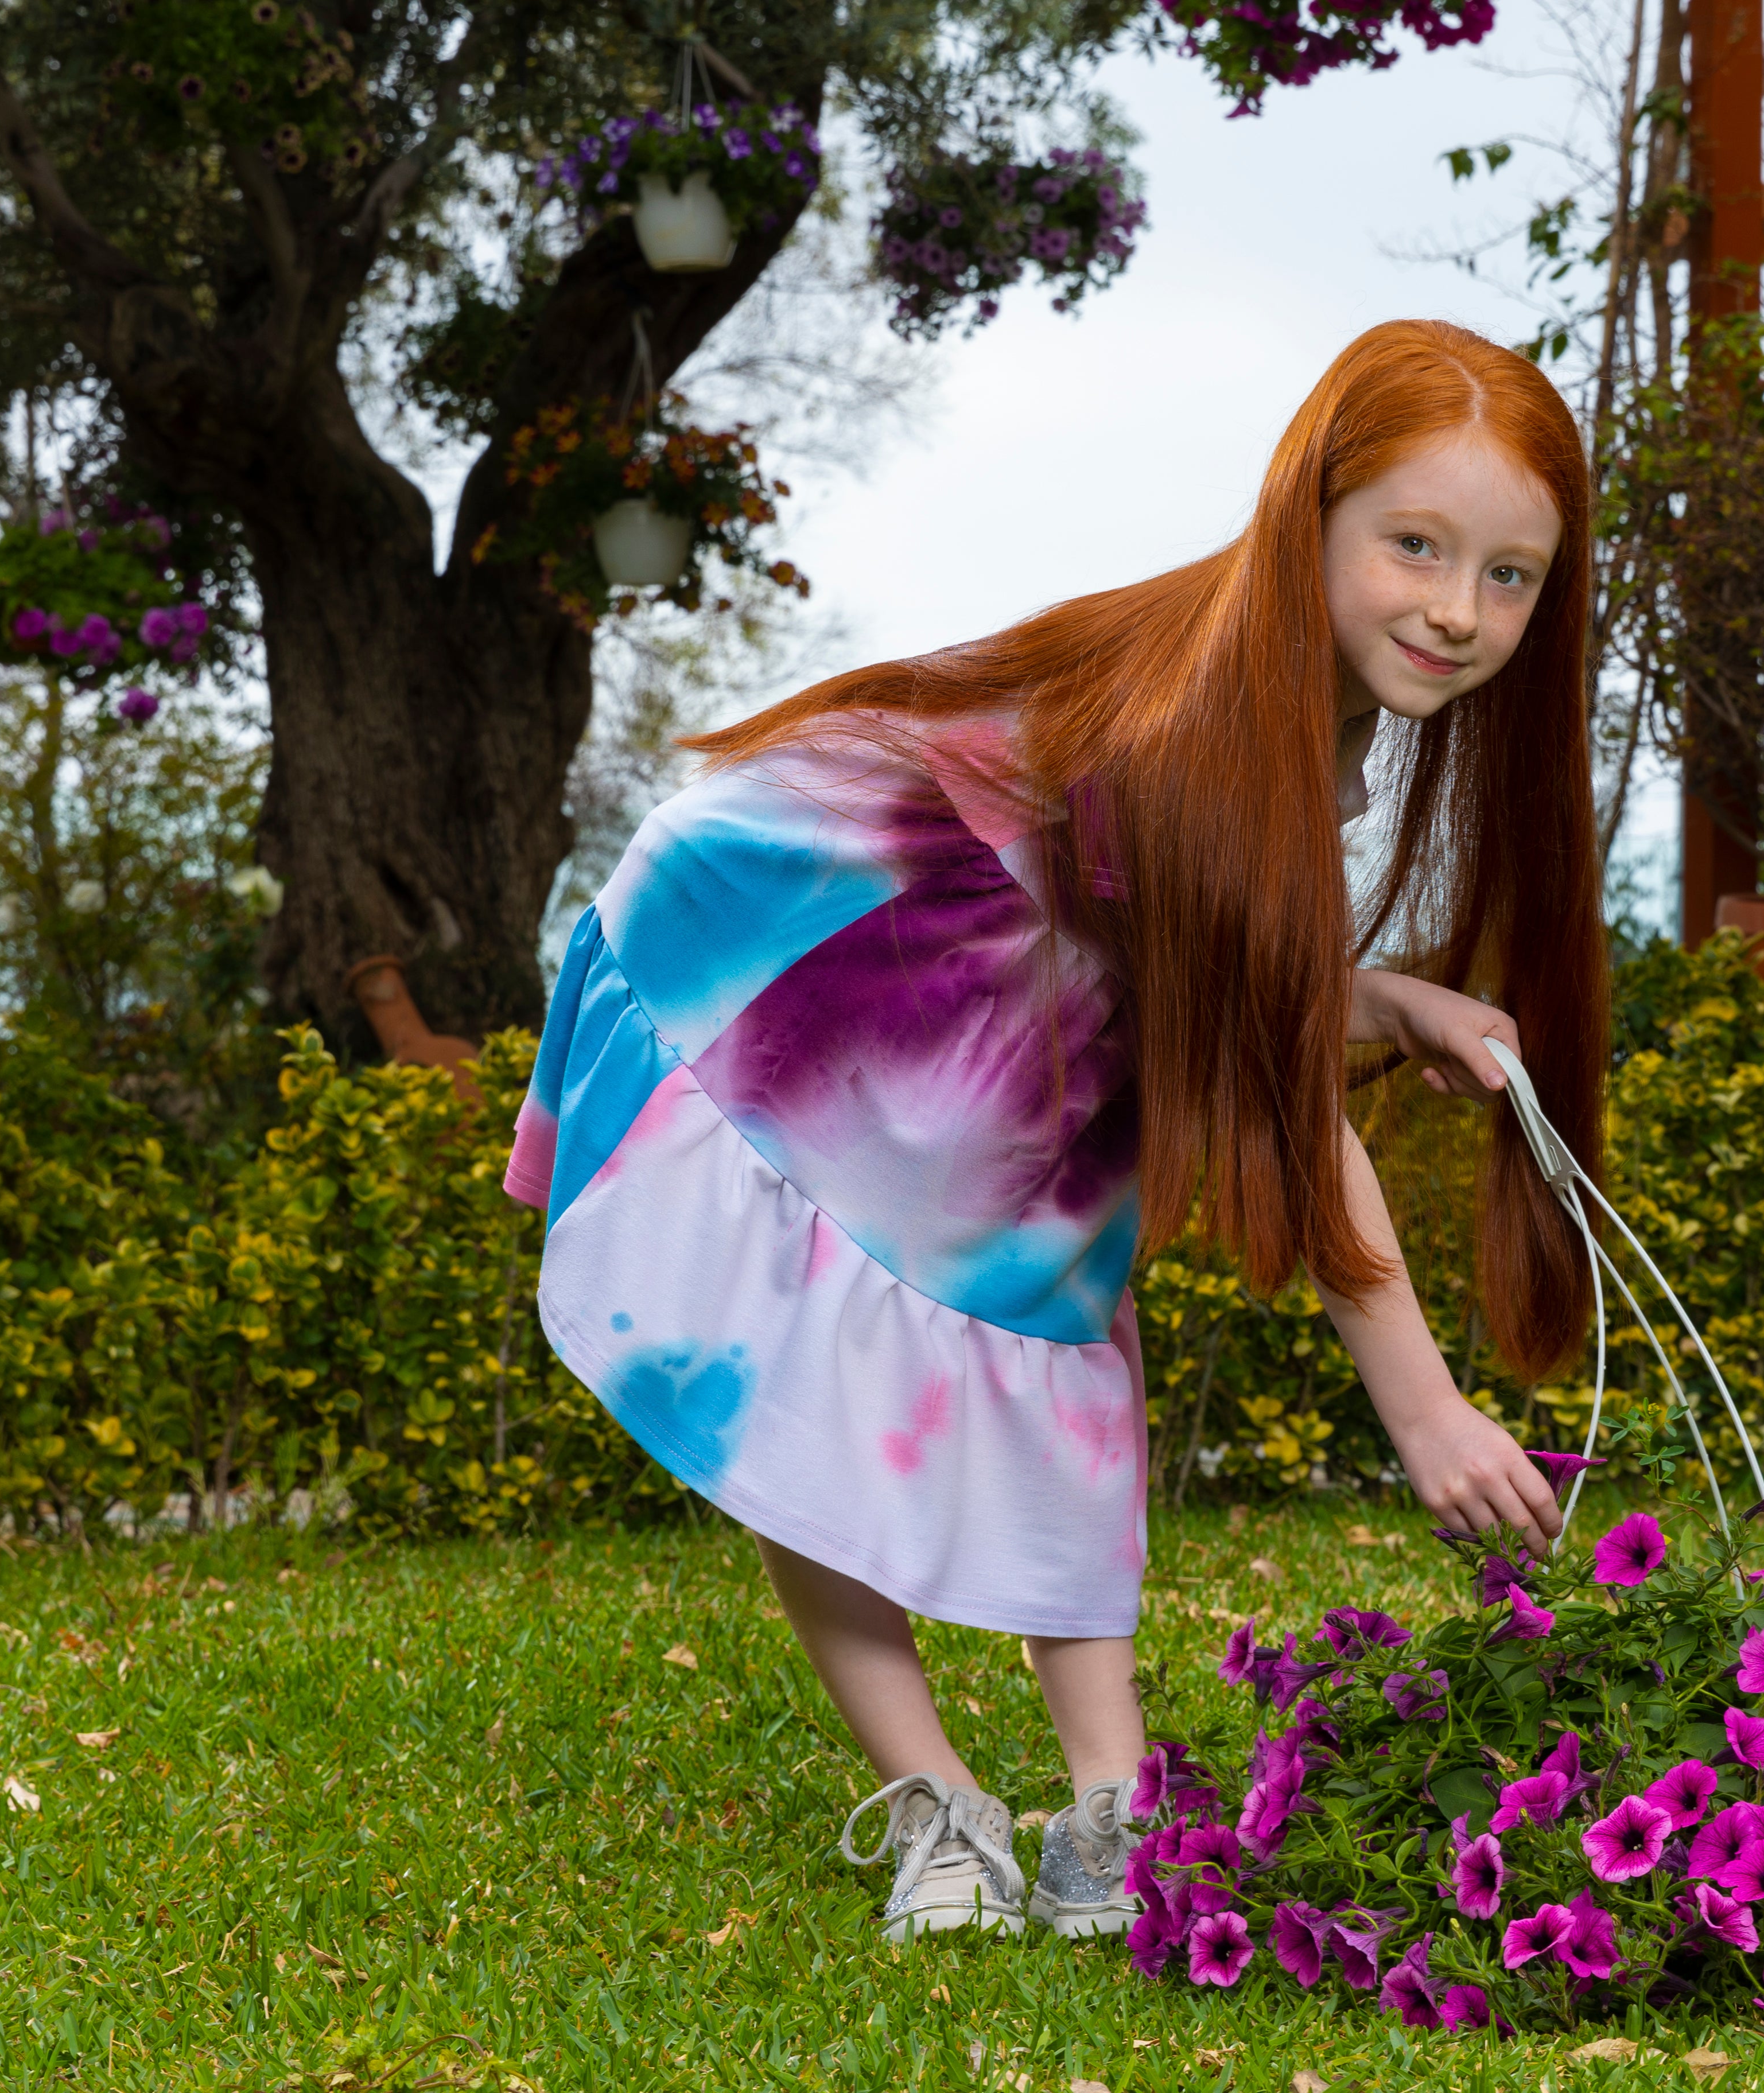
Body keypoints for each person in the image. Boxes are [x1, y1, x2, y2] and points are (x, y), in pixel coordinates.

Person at [503, 318, 1607, 1946]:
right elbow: (1275, 1080)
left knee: (1052, 1341)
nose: (1457, 610)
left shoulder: (1315, 710)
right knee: (805, 1374)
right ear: (1308, 515)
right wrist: (1427, 1408)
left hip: (1015, 992)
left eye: (1510, 577)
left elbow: (1237, 966)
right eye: (1416, 547)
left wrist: (1386, 1000)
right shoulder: (1202, 714)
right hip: (827, 955)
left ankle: (1112, 1802)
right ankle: (940, 1801)